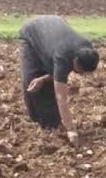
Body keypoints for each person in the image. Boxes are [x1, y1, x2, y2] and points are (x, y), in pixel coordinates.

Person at [18, 15, 100, 145]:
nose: (81, 74)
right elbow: (61, 97)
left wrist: (44, 79)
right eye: (81, 70)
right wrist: (71, 129)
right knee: (31, 80)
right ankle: (38, 123)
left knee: (46, 83)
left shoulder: (87, 48)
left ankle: (53, 124)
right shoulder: (63, 56)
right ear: (75, 60)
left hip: (53, 31)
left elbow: (60, 73)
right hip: (32, 33)